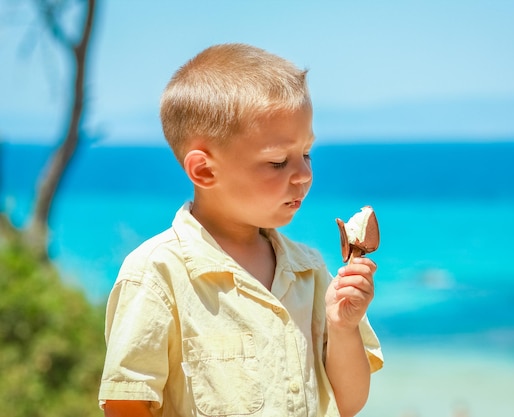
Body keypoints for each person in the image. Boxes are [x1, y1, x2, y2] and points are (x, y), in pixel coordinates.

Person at [98, 43, 383, 417]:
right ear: (204, 171)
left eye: (307, 154)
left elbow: (348, 402)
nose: (304, 175)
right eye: (279, 162)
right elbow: (126, 402)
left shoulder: (310, 272)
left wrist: (342, 327)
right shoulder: (157, 274)